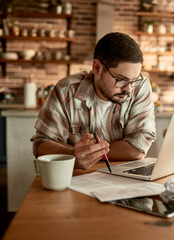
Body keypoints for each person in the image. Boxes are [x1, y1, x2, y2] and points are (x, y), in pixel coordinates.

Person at [31, 32, 156, 170]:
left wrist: (88, 154)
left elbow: (137, 149)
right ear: (97, 67)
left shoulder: (140, 86)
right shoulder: (66, 90)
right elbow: (41, 145)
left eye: (134, 80)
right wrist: (71, 154)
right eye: (121, 79)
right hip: (77, 177)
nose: (129, 89)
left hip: (123, 178)